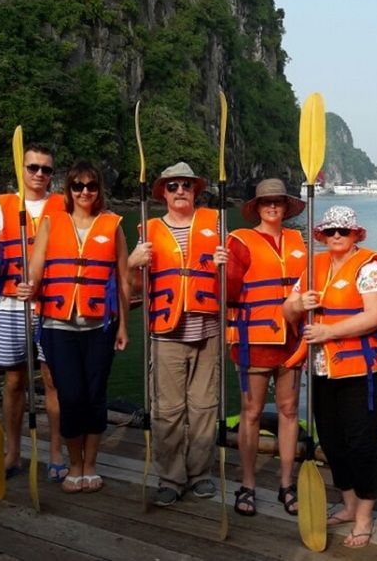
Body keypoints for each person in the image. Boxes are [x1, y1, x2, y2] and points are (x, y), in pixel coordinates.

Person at [283, 205, 377, 549]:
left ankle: (364, 516)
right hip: (321, 370)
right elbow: (287, 309)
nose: (335, 237)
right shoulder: (313, 268)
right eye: (330, 232)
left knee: (362, 442)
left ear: (356, 234)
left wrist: (329, 332)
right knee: (331, 441)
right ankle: (348, 505)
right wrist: (300, 306)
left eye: (342, 232)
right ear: (321, 235)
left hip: (362, 371)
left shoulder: (370, 267)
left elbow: (375, 315)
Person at [18, 162, 129, 494]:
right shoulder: (52, 223)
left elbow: (123, 279)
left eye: (91, 186)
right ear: (68, 190)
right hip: (58, 326)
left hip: (100, 326)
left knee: (95, 397)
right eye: (78, 186)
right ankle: (74, 462)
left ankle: (90, 465)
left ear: (99, 190)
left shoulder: (113, 225)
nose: (84, 192)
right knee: (70, 397)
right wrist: (29, 286)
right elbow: (36, 268)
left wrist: (123, 325)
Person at [128, 162, 223, 508]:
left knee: (204, 407)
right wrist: (131, 262)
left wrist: (227, 262)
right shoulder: (149, 230)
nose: (180, 190)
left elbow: (236, 280)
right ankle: (170, 476)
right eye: (172, 186)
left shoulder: (217, 225)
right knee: (167, 410)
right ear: (163, 193)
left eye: (186, 184)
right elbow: (134, 287)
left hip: (207, 329)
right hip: (165, 333)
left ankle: (200, 474)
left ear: (195, 190)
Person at [0, 143, 68, 482]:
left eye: (46, 169)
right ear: (22, 168)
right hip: (12, 305)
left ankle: (56, 453)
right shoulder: (0, 206)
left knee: (53, 381)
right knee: (15, 380)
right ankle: (13, 451)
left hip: (53, 305)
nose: (39, 175)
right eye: (33, 167)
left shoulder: (63, 205)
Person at [224, 178, 306, 517]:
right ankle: (248, 483)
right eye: (265, 202)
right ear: (256, 207)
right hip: (253, 341)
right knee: (252, 413)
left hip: (292, 340)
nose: (272, 206)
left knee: (288, 411)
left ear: (286, 206)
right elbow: (227, 292)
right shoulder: (239, 242)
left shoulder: (298, 240)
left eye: (278, 201)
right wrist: (220, 267)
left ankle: (286, 483)